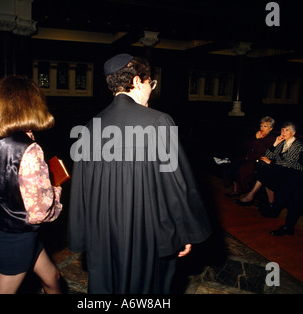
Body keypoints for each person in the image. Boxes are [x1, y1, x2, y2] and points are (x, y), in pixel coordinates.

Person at [67, 53, 212, 294]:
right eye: (150, 84)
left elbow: (81, 189)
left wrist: (83, 234)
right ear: (136, 82)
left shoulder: (91, 125)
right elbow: (177, 185)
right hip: (147, 234)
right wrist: (185, 231)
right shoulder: (158, 121)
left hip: (103, 234)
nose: (151, 90)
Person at [0, 75, 62, 294]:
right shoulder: (31, 150)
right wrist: (55, 190)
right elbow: (40, 212)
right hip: (16, 237)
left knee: (53, 277)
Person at [236, 121, 303, 208]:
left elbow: (289, 162)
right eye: (282, 130)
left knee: (266, 170)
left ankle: (258, 198)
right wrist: (275, 143)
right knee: (264, 169)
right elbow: (268, 155)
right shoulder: (281, 142)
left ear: (293, 133)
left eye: (286, 130)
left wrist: (271, 162)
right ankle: (269, 202)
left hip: (293, 171)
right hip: (281, 167)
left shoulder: (297, 145)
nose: (283, 132)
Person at [225, 116, 276, 197]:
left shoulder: (272, 138)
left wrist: (257, 139)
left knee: (242, 169)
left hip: (258, 160)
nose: (262, 128)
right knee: (233, 165)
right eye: (261, 125)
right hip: (248, 157)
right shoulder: (258, 133)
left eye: (265, 126)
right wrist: (255, 138)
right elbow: (247, 145)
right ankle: (235, 190)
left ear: (271, 128)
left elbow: (263, 150)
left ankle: (240, 190)